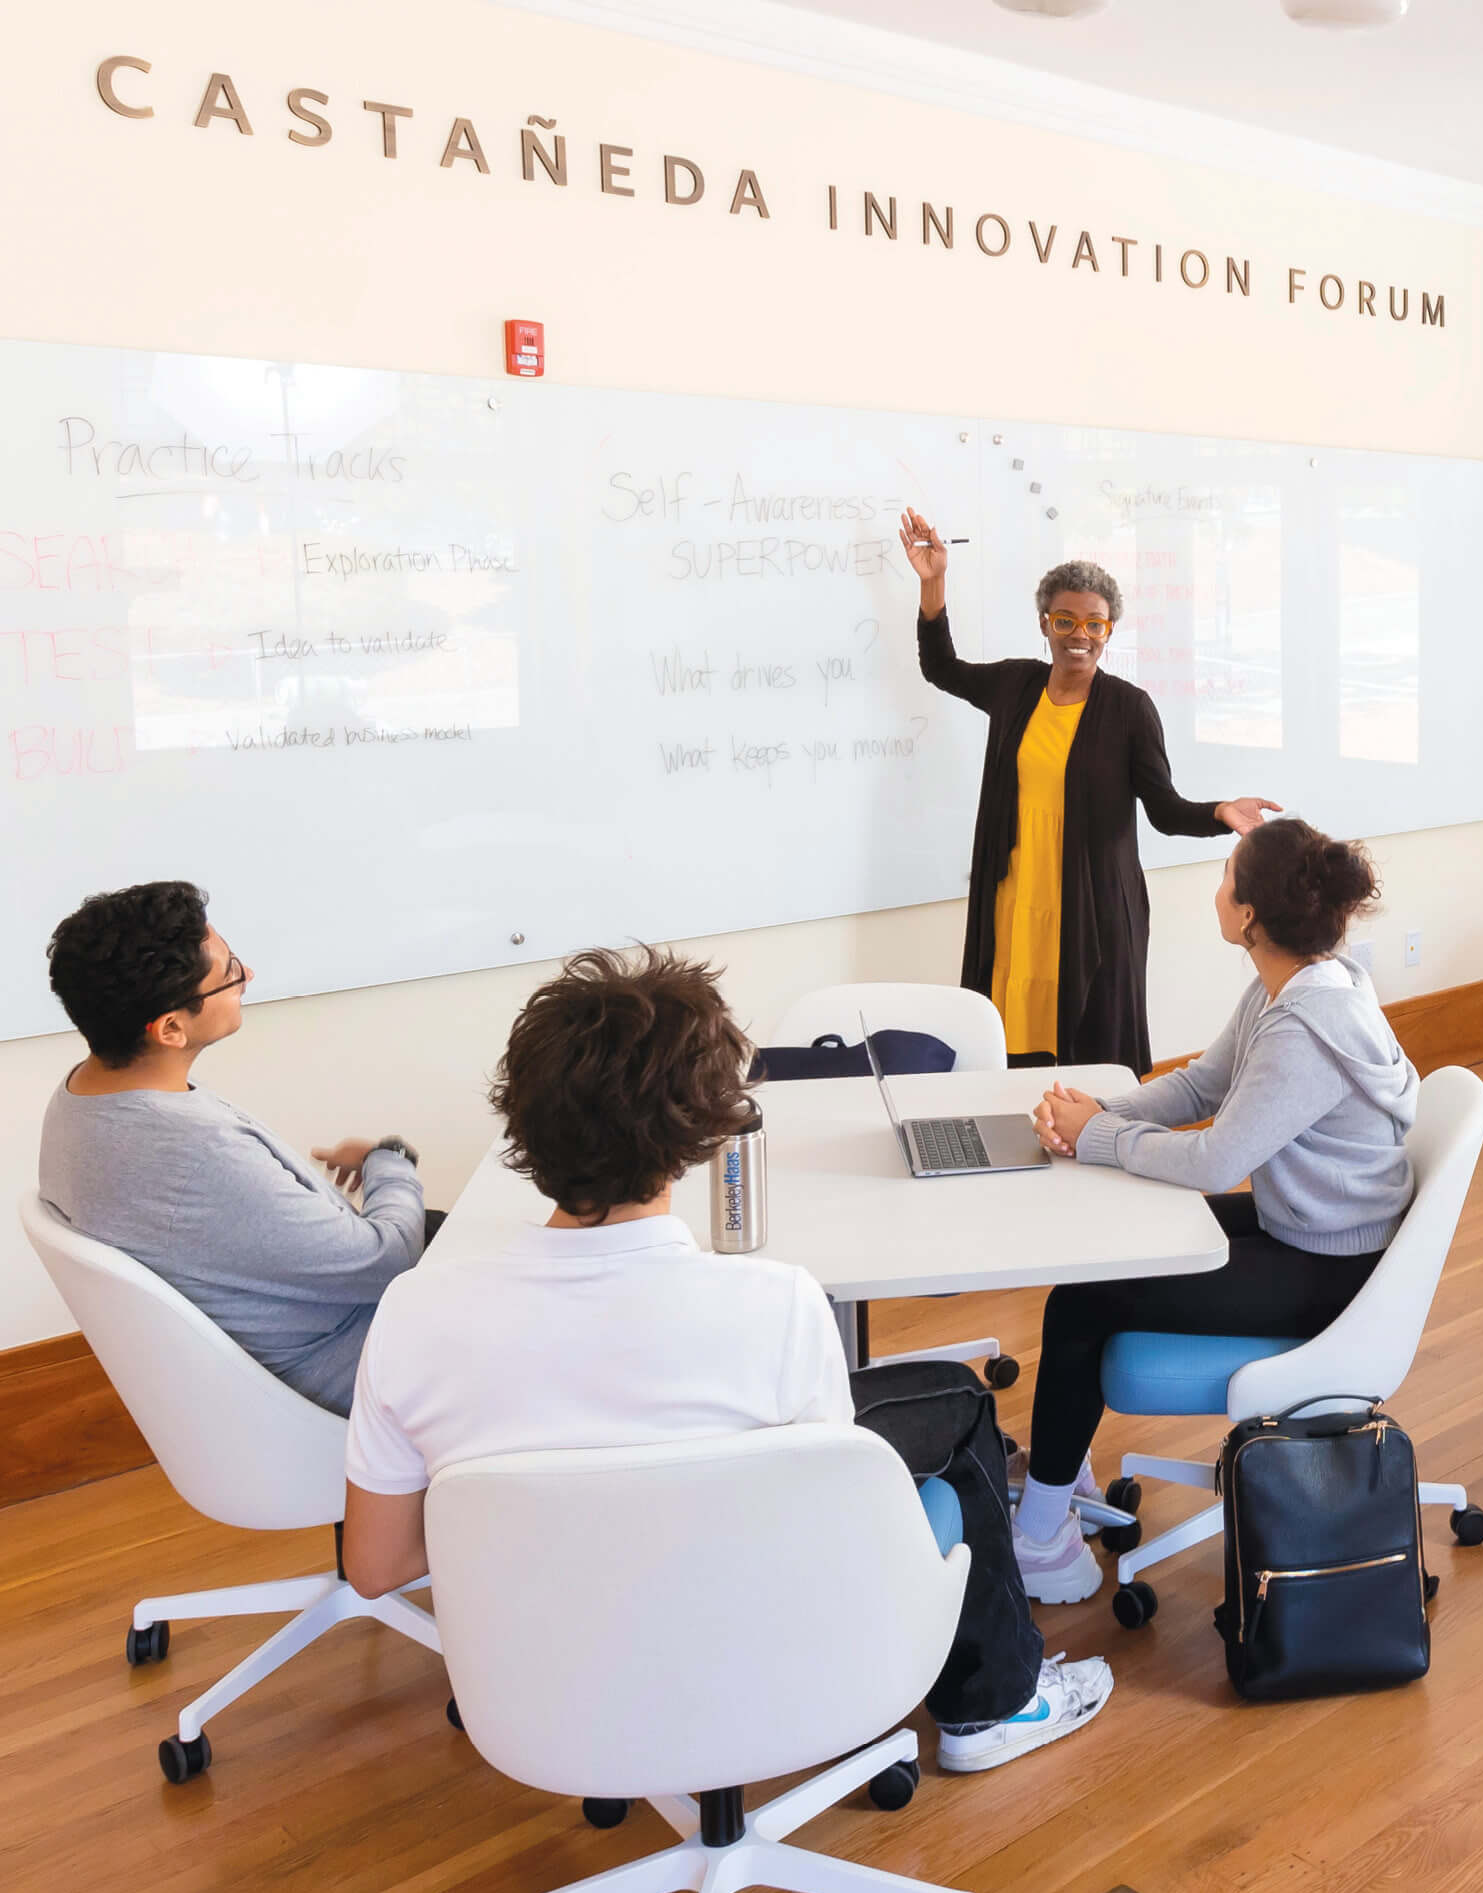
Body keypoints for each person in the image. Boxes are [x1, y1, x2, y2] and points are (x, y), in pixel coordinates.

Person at [337, 947, 1108, 1775]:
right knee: (955, 1401)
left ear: (522, 1124)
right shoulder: (775, 1306)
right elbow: (828, 1529)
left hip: (544, 1682)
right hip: (753, 1648)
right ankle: (993, 1705)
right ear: (702, 1132)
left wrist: (558, 1523)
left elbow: (376, 1565)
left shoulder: (414, 1316)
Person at [1015, 819, 1418, 1605]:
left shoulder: (1305, 1027)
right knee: (1107, 1255)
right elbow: (1202, 1086)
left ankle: (1041, 1542)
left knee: (1084, 1297)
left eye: (1225, 875)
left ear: (1250, 916)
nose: (1216, 889)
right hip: (1307, 1225)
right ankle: (1059, 1477)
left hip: (1331, 1268)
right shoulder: (1296, 984)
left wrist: (1097, 1134)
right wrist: (1102, 1110)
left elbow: (1215, 1160)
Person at [900, 512, 1280, 1075]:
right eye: (1065, 620)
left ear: (1109, 631)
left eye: (1095, 624)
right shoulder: (1014, 686)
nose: (1080, 635)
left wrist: (1220, 811)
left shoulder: (1129, 709)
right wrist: (933, 583)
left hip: (1091, 908)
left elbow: (1165, 810)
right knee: (1009, 1036)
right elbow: (941, 667)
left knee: (1088, 1052)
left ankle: (1096, 1142)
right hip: (1016, 899)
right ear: (1045, 624)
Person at [37, 881, 426, 1411]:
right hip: (353, 1360)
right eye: (230, 973)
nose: (248, 978)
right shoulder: (196, 1154)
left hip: (290, 1334)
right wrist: (391, 1160)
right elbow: (387, 1261)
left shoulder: (81, 1095)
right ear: (172, 1028)